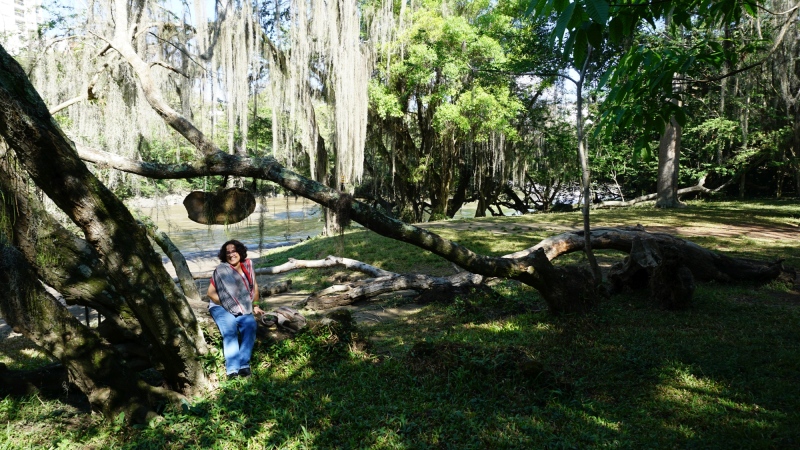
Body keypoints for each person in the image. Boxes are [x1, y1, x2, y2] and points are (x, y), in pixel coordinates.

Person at [207, 240, 264, 379]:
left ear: (240, 252)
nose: (231, 255)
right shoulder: (221, 270)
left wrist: (256, 305)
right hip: (220, 306)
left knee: (250, 325)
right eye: (228, 253)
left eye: (234, 251)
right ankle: (232, 369)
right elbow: (211, 293)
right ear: (224, 255)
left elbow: (254, 287)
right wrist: (229, 304)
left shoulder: (248, 265)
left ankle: (244, 365)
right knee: (230, 328)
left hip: (243, 306)